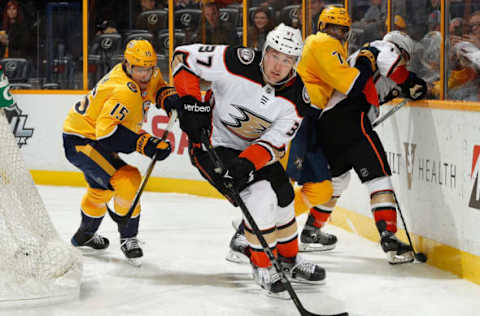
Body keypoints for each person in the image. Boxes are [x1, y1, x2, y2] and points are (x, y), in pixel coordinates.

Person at [172, 23, 325, 297]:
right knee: (260, 194)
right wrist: (190, 102)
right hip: (213, 144)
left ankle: (289, 259)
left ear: (295, 63)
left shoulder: (298, 98)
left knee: (284, 194)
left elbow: (274, 141)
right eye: (274, 55)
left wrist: (248, 163)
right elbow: (183, 57)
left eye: (287, 60)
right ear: (264, 50)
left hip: (251, 149)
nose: (278, 66)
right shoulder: (236, 61)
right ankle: (262, 263)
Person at [299, 6, 427, 264]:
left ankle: (311, 231)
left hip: (330, 123)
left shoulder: (359, 59)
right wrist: (412, 82)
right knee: (379, 179)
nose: (403, 63)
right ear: (400, 50)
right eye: (405, 59)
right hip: (351, 118)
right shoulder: (382, 46)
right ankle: (389, 238)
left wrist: (401, 91)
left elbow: (380, 88)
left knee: (336, 182)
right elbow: (395, 71)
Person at [62, 40, 178, 265]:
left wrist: (168, 98)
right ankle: (129, 238)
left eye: (149, 68)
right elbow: (107, 134)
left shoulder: (148, 74)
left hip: (90, 136)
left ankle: (84, 235)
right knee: (127, 179)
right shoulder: (123, 90)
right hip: (82, 140)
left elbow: (157, 87)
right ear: (127, 64)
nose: (145, 75)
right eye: (140, 69)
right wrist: (147, 143)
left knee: (101, 188)